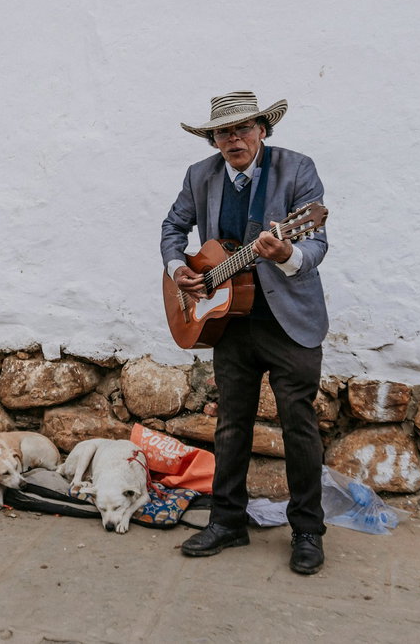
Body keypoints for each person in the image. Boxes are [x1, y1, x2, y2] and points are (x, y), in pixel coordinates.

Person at [160, 91, 329, 575]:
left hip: (289, 320)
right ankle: (227, 521)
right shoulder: (201, 175)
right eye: (223, 131)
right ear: (214, 138)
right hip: (229, 322)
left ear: (262, 130)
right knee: (231, 423)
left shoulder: (297, 169)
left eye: (243, 128)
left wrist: (286, 255)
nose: (233, 138)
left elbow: (316, 242)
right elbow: (173, 227)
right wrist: (179, 270)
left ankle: (307, 532)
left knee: (299, 425)